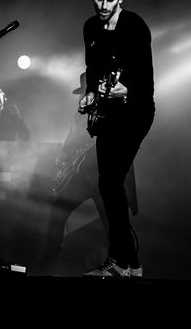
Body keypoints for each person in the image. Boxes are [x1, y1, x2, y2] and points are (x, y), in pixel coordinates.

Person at [78, 0, 155, 277]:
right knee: (107, 185)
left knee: (110, 183)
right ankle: (128, 264)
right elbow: (92, 69)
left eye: (110, 0)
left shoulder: (135, 26)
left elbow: (147, 83)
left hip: (135, 112)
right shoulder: (90, 27)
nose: (104, 6)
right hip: (108, 113)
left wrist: (127, 90)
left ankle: (125, 263)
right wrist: (89, 95)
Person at [37, 72, 138, 275]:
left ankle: (128, 265)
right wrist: (63, 159)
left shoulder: (112, 106)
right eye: (82, 91)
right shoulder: (80, 112)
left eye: (85, 90)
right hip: (83, 175)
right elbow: (71, 140)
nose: (83, 95)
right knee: (59, 210)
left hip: (106, 172)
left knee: (114, 221)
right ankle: (47, 265)